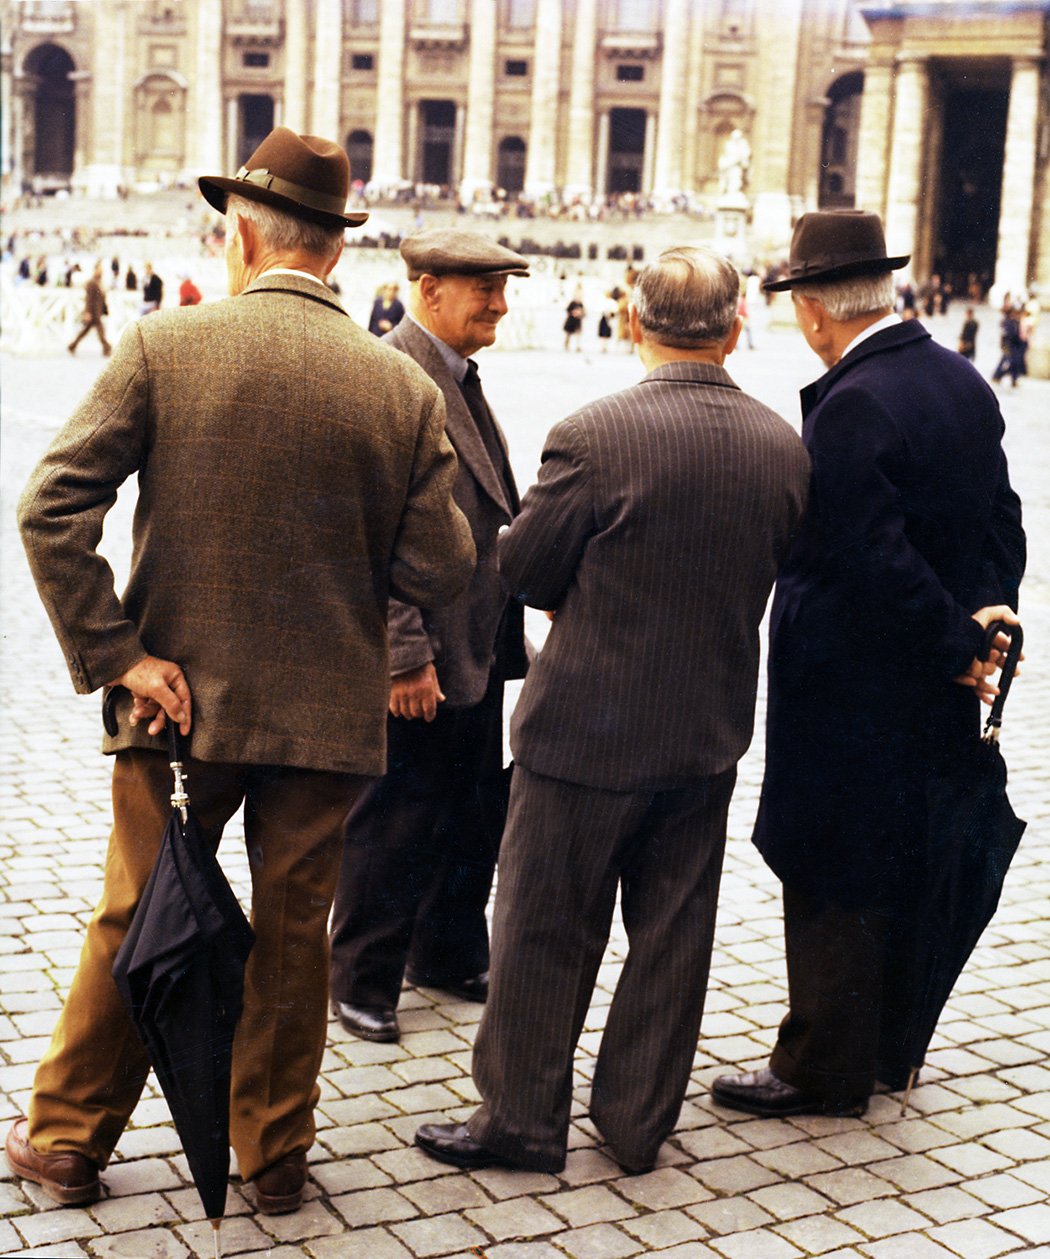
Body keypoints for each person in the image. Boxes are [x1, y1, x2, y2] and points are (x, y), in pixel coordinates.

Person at [6, 128, 474, 1216]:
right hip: (324, 712)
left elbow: (50, 507)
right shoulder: (398, 386)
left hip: (177, 705)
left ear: (241, 234)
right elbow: (442, 565)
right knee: (294, 930)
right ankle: (271, 1157)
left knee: (136, 910)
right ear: (334, 252)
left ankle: (71, 1138)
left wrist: (118, 650)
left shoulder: (168, 345)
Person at [413, 246, 811, 1175]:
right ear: (735, 326)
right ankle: (636, 1122)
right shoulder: (781, 447)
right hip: (705, 728)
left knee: (545, 928)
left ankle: (520, 1116)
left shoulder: (592, 434)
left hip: (583, 729)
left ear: (633, 322)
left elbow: (526, 569)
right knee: (672, 940)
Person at [711, 210, 1025, 1120]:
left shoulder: (854, 401)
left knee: (833, 860)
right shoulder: (959, 378)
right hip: (932, 682)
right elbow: (1001, 523)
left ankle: (823, 1065)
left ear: (813, 309)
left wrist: (962, 645)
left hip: (856, 683)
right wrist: (983, 630)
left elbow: (873, 560)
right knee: (902, 851)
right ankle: (890, 1045)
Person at [328, 229, 530, 1044]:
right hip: (424, 655)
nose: (499, 303)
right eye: (482, 287)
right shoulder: (392, 372)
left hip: (475, 644)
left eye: (502, 287)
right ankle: (362, 974)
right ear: (427, 286)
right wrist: (403, 652)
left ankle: (444, 948)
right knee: (397, 818)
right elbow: (367, 531)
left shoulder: (456, 372)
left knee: (470, 807)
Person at [67, 263, 112, 357]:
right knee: (99, 330)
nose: (101, 271)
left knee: (87, 330)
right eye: (99, 269)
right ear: (95, 270)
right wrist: (87, 312)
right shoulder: (92, 283)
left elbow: (102, 298)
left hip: (98, 311)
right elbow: (89, 299)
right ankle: (106, 347)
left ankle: (73, 345)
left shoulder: (99, 282)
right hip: (93, 311)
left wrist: (105, 310)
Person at [991, 305, 1025, 387]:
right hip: (1009, 346)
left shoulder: (1015, 322)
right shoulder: (1008, 323)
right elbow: (1006, 335)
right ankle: (998, 375)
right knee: (1009, 361)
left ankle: (1012, 379)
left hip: (1015, 346)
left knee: (1013, 363)